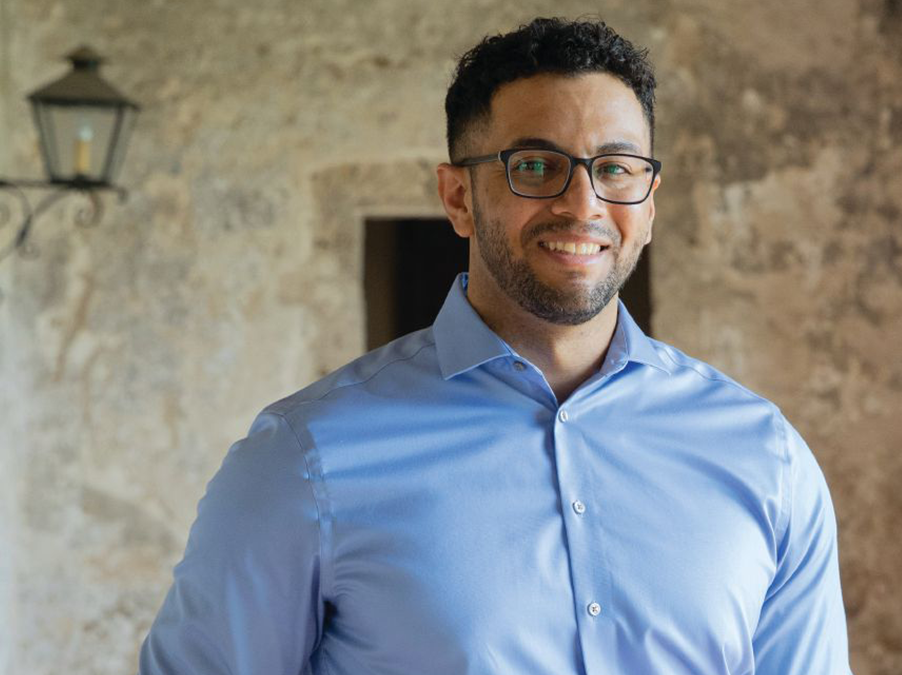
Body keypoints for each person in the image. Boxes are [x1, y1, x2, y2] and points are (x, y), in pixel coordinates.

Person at [139, 17, 852, 675]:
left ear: (650, 201)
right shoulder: (302, 457)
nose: (584, 205)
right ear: (456, 198)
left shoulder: (764, 456)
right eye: (536, 167)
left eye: (616, 168)